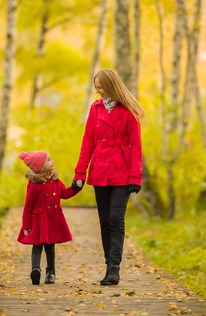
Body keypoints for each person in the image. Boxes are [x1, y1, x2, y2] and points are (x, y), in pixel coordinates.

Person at [72, 68, 145, 286]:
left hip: (122, 172)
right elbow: (87, 143)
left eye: (101, 87)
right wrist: (79, 174)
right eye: (96, 88)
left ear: (112, 86)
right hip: (99, 171)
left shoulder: (129, 110)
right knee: (104, 222)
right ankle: (108, 266)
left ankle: (114, 268)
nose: (99, 92)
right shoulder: (95, 109)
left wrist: (136, 177)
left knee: (116, 219)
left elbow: (136, 147)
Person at [17, 151, 80, 285]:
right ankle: (35, 270)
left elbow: (64, 193)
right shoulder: (34, 184)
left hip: (52, 219)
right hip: (38, 221)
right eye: (49, 160)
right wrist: (26, 226)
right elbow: (28, 206)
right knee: (37, 246)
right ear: (41, 166)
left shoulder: (56, 180)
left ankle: (50, 272)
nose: (52, 162)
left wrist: (74, 189)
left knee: (50, 247)